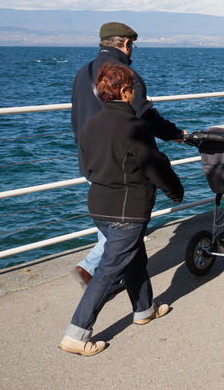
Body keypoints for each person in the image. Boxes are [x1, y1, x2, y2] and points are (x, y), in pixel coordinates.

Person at [59, 62, 184, 356]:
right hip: (127, 211)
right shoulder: (135, 127)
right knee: (109, 269)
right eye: (134, 89)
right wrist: (175, 192)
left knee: (134, 257)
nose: (136, 94)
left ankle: (144, 309)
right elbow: (154, 166)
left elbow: (88, 165)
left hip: (99, 206)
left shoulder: (91, 124)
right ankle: (76, 333)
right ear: (125, 91)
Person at [70, 22, 185, 287]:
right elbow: (145, 116)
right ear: (126, 44)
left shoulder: (82, 73)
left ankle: (114, 278)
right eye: (132, 46)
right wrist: (174, 133)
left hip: (91, 160)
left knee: (110, 223)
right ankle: (92, 271)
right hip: (124, 163)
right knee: (126, 225)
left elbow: (76, 119)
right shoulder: (124, 75)